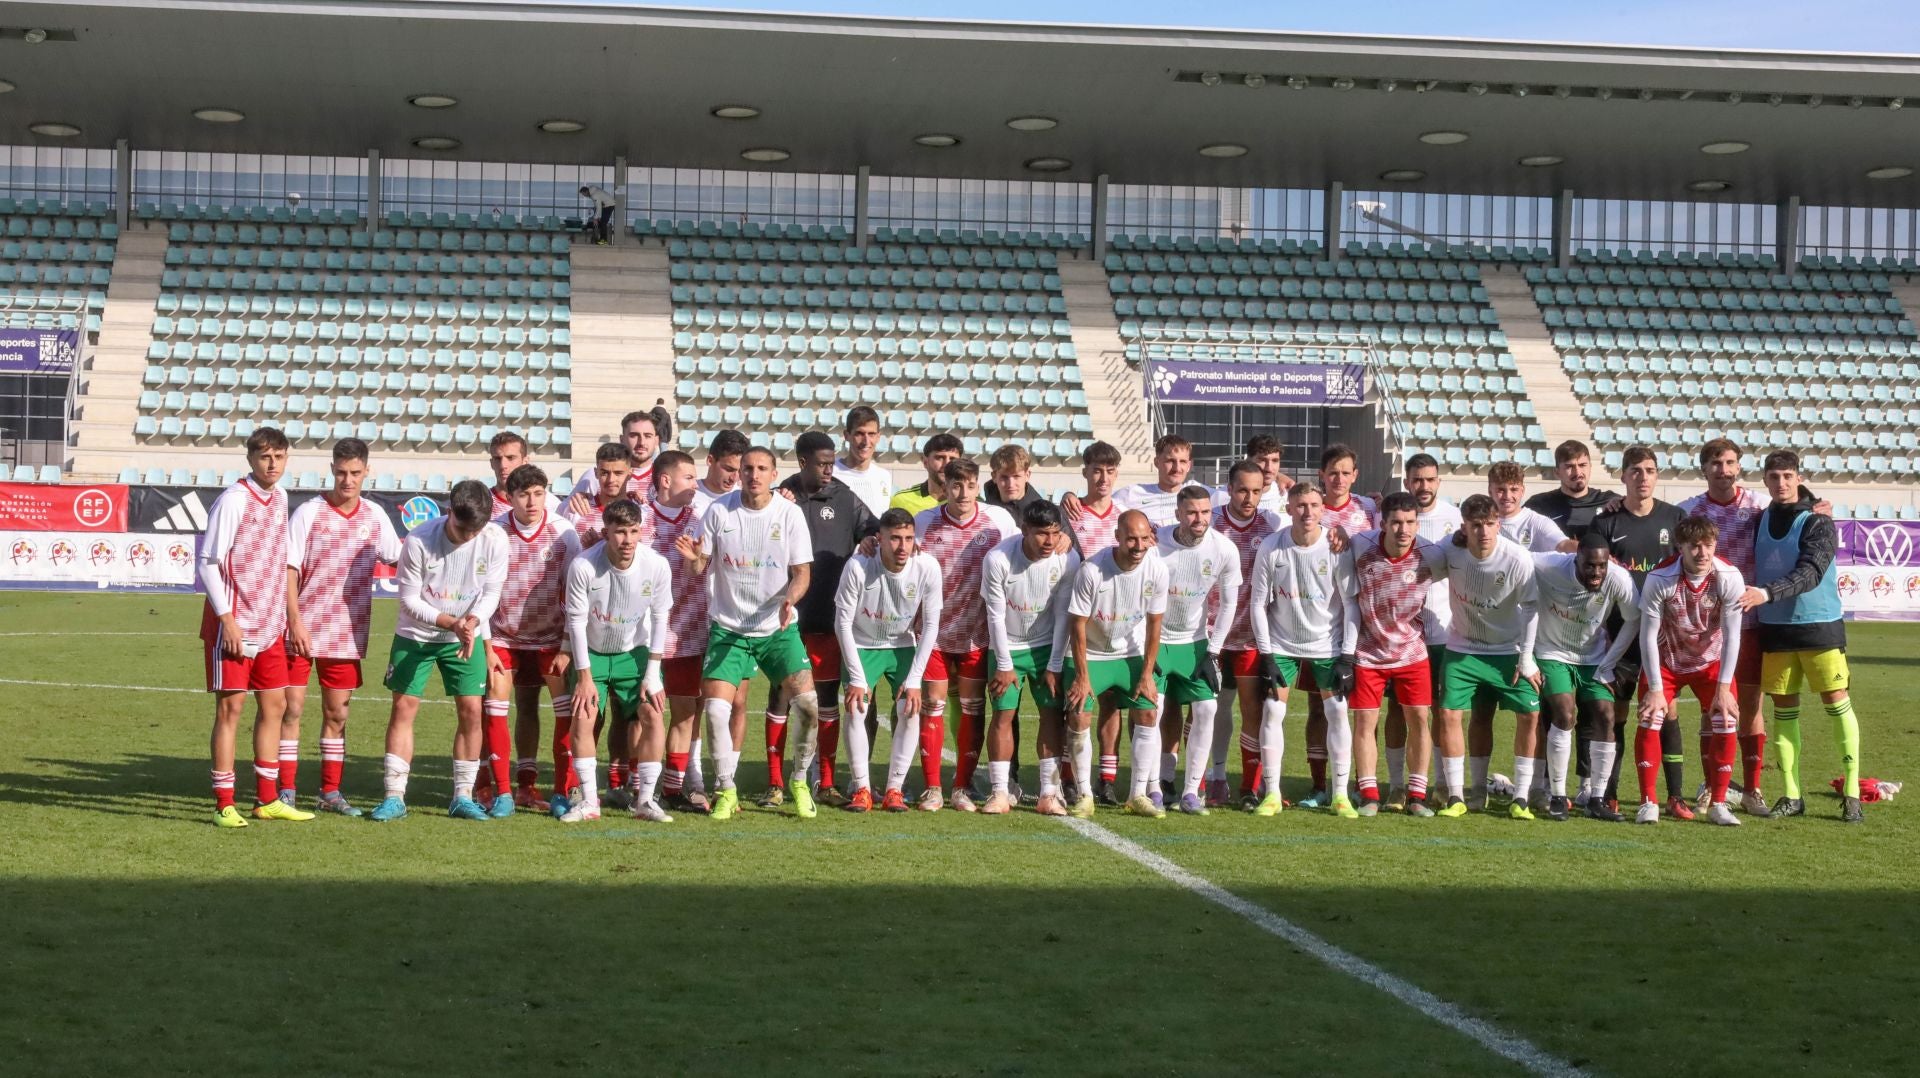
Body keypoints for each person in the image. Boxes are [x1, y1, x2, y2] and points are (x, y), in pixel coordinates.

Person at [678, 446, 824, 820]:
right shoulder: (719, 511)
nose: (754, 475)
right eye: (748, 468)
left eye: (762, 468)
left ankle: (800, 781)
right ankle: (726, 789)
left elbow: (802, 573)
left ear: (774, 474)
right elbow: (700, 568)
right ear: (739, 472)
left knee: (808, 704)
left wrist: (791, 599)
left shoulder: (789, 514)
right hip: (728, 628)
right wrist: (692, 559)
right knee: (714, 710)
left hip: (776, 628)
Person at [370, 480, 508, 822]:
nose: (468, 537)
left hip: (466, 634)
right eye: (462, 529)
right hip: (416, 635)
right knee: (404, 707)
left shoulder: (494, 539)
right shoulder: (419, 540)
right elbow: (408, 600)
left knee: (472, 711)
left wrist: (472, 621)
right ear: (450, 513)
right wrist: (452, 623)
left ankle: (462, 796)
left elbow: (492, 593)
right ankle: (394, 796)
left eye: (476, 529)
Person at [1740, 450, 1863, 823]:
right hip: (1775, 631)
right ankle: (1792, 794)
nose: (1781, 483)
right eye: (1774, 476)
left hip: (1818, 627)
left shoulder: (1818, 522)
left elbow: (1810, 572)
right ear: (1765, 480)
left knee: (1835, 702)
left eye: (1788, 476)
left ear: (1798, 478)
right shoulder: (1758, 520)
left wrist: (1766, 593)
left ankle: (1853, 793)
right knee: (1783, 709)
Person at [281, 437, 402, 817]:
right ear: (331, 470)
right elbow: (289, 569)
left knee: (337, 714)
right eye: (341, 472)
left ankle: (329, 792)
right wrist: (294, 620)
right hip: (301, 629)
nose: (347, 480)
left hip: (346, 632)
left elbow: (402, 558)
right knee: (291, 710)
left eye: (355, 473)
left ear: (367, 472)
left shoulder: (374, 516)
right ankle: (284, 790)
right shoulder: (309, 513)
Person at [199, 426, 308, 827]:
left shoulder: (280, 498)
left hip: (268, 623)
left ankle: (266, 799)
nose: (272, 463)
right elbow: (208, 562)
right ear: (250, 459)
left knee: (275, 705)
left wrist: (283, 616)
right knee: (231, 708)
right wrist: (227, 619)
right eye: (265, 456)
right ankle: (224, 803)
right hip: (235, 624)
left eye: (279, 456)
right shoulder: (233, 500)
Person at [766, 431, 878, 807]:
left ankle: (824, 781)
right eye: (822, 463)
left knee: (827, 700)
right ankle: (775, 782)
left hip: (830, 620)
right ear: (802, 463)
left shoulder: (845, 497)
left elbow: (876, 529)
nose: (830, 469)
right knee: (782, 698)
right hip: (786, 620)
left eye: (832, 462)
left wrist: (868, 539)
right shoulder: (779, 498)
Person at [1677, 437, 1786, 816]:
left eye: (1729, 463)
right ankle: (1710, 786)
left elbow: (1793, 510)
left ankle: (1753, 789)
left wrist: (1818, 506)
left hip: (1749, 621)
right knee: (1712, 709)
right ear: (1704, 469)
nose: (1723, 470)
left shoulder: (1758, 505)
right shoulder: (1688, 511)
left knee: (1751, 706)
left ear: (1739, 466)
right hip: (1706, 627)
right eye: (1715, 464)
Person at [1583, 445, 1687, 820]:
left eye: (1650, 470)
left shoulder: (1676, 519)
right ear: (1623, 476)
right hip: (1619, 631)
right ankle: (1608, 793)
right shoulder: (1606, 522)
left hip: (1664, 634)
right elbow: (1594, 576)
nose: (1643, 477)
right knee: (1618, 714)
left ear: (1657, 475)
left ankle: (1675, 796)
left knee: (1668, 711)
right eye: (1635, 471)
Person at [912, 458, 1019, 811]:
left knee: (973, 708)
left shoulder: (999, 521)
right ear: (944, 486)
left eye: (970, 485)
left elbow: (1023, 554)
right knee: (932, 704)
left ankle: (961, 788)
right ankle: (932, 789)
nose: (962, 493)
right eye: (955, 486)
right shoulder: (924, 522)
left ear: (979, 486)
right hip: (934, 633)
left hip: (977, 632)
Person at [558, 499, 673, 822]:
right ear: (606, 531)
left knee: (652, 714)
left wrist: (652, 673)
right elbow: (576, 624)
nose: (627, 540)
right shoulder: (583, 566)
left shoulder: (656, 565)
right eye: (620, 532)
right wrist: (583, 676)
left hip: (634, 652)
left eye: (634, 531)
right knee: (583, 716)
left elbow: (661, 617)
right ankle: (589, 803)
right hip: (592, 654)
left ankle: (646, 801)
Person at [1248, 482, 1357, 818]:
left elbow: (1351, 604)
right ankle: (1271, 793)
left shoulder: (1337, 547)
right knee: (1273, 711)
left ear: (1322, 509)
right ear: (1289, 508)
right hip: (1281, 643)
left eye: (1313, 505)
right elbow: (1257, 603)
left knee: (1337, 712)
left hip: (1327, 643)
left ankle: (1340, 795)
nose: (1307, 512)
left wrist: (1348, 655)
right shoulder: (1272, 546)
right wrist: (1266, 654)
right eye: (1300, 505)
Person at [1054, 510, 1170, 818]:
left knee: (1147, 710)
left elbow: (1155, 625)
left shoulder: (1157, 570)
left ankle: (1138, 794)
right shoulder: (1092, 570)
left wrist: (1147, 674)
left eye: (1145, 538)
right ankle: (1084, 795)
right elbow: (1076, 625)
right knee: (1079, 715)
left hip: (1127, 652)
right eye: (1131, 538)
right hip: (1090, 653)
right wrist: (1081, 676)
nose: (1138, 545)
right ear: (1117, 537)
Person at [1434, 494, 1541, 820]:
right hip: (1462, 648)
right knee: (1450, 714)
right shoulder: (1449, 550)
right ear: (1464, 526)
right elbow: (1418, 563)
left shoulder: (1517, 558)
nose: (1484, 531)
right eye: (1476, 525)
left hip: (1507, 651)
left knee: (1530, 715)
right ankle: (1457, 795)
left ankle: (1520, 798)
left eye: (1490, 524)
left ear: (1499, 524)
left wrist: (1527, 659)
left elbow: (1532, 607)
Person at [1635, 515, 1746, 826]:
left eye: (1708, 545)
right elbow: (1646, 635)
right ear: (1680, 547)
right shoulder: (1661, 578)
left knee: (1726, 717)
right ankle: (1648, 802)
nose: (1702, 553)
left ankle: (1719, 804)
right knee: (1650, 716)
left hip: (1709, 662)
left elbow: (1733, 634)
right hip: (1667, 660)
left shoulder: (1729, 576)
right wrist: (1656, 689)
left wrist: (1724, 688)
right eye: (1694, 546)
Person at [1341, 492, 1445, 817]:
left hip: (1412, 652)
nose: (1403, 529)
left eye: (1410, 522)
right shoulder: (1359, 546)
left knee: (1419, 720)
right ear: (1382, 523)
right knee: (1365, 721)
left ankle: (1416, 795)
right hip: (1368, 652)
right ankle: (1370, 793)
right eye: (1396, 523)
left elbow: (1466, 567)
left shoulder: (1432, 554)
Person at [486, 464, 583, 814]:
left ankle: (559, 792)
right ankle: (503, 792)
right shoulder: (494, 531)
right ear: (509, 497)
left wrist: (567, 645)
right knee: (495, 709)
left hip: (549, 639)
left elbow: (576, 594)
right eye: (524, 494)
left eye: (538, 493)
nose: (532, 501)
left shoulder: (563, 532)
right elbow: (481, 590)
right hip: (503, 637)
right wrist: (485, 642)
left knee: (564, 714)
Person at [836, 508, 944, 813]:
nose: (902, 546)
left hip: (901, 646)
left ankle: (895, 790)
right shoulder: (858, 565)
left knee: (910, 709)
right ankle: (862, 789)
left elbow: (931, 625)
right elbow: (842, 623)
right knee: (857, 709)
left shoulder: (927, 567)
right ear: (878, 538)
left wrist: (914, 680)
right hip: (862, 644)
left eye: (908, 538)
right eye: (895, 538)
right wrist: (856, 677)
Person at [1530, 532, 1640, 821]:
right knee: (1564, 714)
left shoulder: (1618, 578)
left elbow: (1633, 618)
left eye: (1602, 566)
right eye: (1590, 565)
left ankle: (1597, 799)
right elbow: (1517, 559)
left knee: (1606, 715)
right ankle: (1557, 795)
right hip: (1552, 653)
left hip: (1592, 659)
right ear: (1575, 560)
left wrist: (1609, 661)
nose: (1596, 572)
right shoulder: (1551, 566)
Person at [983, 500, 1080, 815]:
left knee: (1051, 715)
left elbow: (1064, 615)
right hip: (1006, 647)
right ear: (1024, 530)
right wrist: (1004, 664)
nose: (1049, 542)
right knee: (1003, 715)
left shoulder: (1067, 560)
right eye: (1041, 534)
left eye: (1054, 533)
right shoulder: (998, 558)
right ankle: (999, 792)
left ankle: (1049, 794)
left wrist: (1054, 665)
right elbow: (995, 616)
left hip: (1045, 647)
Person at [1154, 485, 1242, 816]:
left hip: (1195, 643)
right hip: (1157, 640)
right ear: (1177, 514)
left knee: (1207, 708)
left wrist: (1213, 651)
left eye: (1205, 512)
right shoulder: (1156, 543)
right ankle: (1154, 786)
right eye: (1191, 512)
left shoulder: (1224, 549)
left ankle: (1192, 792)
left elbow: (1230, 603)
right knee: (1155, 709)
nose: (1199, 519)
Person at [1296, 444, 1375, 809]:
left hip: (1362, 626)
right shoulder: (1310, 510)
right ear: (1322, 475)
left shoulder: (1369, 510)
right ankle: (1318, 785)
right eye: (1333, 472)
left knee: (1361, 712)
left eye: (1346, 472)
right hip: (1321, 628)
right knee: (1318, 709)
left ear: (1354, 476)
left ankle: (1359, 782)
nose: (1339, 478)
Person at [1208, 460, 1284, 806]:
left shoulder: (1270, 528)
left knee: (1253, 710)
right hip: (1210, 633)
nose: (1249, 497)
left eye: (1256, 491)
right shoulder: (1209, 522)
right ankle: (1212, 778)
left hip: (1251, 635)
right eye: (1242, 490)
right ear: (1228, 488)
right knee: (1207, 707)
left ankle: (1249, 788)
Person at [1387, 453, 1460, 808]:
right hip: (1399, 636)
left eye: (1430, 480)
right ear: (1407, 481)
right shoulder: (1391, 516)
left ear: (1438, 483)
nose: (1424, 486)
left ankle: (1443, 785)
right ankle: (1397, 785)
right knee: (1397, 713)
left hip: (1444, 632)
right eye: (1417, 479)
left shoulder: (1454, 518)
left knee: (1443, 712)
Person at [644, 451, 714, 812]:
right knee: (645, 715)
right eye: (689, 477)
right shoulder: (638, 520)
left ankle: (673, 788)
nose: (695, 483)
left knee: (685, 712)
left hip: (688, 631)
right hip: (642, 636)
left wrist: (695, 560)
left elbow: (700, 570)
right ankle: (637, 786)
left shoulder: (700, 520)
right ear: (665, 480)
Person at [1063, 440, 1125, 801]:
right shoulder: (1070, 513)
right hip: (1079, 622)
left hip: (1118, 625)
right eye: (1096, 470)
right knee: (1075, 705)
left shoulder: (1127, 515)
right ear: (1085, 472)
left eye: (1110, 471)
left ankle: (1108, 778)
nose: (1103, 478)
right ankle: (1072, 778)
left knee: (1112, 705)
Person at [1524, 439, 1619, 541]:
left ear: (1590, 467)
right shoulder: (1539, 505)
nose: (1577, 472)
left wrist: (1623, 502)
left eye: (1582, 465)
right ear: (1557, 472)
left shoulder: (1610, 502)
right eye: (1569, 466)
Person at [567, 409, 662, 506]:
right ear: (622, 439)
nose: (641, 442)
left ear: (657, 441)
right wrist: (575, 500)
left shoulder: (666, 477)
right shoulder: (593, 476)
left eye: (648, 436)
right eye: (634, 436)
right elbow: (563, 513)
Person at [560, 442, 635, 547]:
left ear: (630, 474)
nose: (611, 480)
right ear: (596, 473)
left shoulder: (642, 512)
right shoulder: (576, 511)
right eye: (604, 473)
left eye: (618, 473)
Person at [1114, 434, 1195, 527]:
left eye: (1182, 461)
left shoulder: (1203, 495)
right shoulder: (1131, 494)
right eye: (1170, 461)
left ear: (1189, 465)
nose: (1177, 468)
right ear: (1157, 462)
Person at [487, 430, 564, 518]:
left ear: (525, 461)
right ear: (491, 463)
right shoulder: (481, 503)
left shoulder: (550, 504)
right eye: (497, 459)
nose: (503, 465)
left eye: (510, 458)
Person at [835, 406, 895, 518]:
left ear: (878, 437)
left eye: (871, 434)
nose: (866, 441)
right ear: (847, 436)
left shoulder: (884, 476)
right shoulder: (831, 473)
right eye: (859, 434)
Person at [1216, 434, 1294, 513]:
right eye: (1262, 460)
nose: (1269, 468)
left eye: (1275, 460)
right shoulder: (1220, 497)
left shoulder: (1290, 497)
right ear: (1248, 460)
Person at [890, 433, 961, 516]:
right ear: (925, 462)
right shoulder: (902, 500)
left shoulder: (970, 501)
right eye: (940, 458)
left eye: (952, 459)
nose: (947, 464)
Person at [984, 442, 1050, 517]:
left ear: (1027, 475)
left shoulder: (1047, 516)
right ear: (994, 477)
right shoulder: (981, 514)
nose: (1010, 484)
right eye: (1004, 477)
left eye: (1016, 476)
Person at [697, 429, 749, 512]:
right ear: (710, 461)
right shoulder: (686, 495)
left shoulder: (744, 500)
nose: (734, 478)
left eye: (740, 471)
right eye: (729, 469)